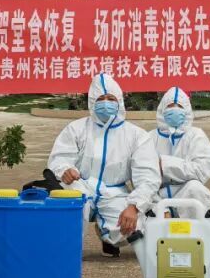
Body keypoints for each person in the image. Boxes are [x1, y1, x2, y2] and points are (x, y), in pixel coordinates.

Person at [47, 73, 160, 257]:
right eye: (100, 99)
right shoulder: (76, 128)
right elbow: (59, 158)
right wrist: (64, 170)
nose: (106, 103)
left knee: (134, 227)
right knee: (70, 205)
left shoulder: (136, 135)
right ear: (92, 102)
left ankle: (106, 235)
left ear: (119, 101)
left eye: (111, 99)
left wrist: (134, 206)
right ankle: (66, 253)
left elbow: (148, 176)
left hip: (114, 192)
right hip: (80, 187)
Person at [151, 86, 210, 213]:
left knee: (196, 189)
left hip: (187, 194)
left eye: (179, 106)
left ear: (187, 110)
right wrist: (160, 209)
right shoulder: (150, 138)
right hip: (157, 196)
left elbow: (201, 170)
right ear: (162, 109)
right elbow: (142, 175)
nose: (175, 109)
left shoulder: (196, 135)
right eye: (170, 106)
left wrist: (165, 165)